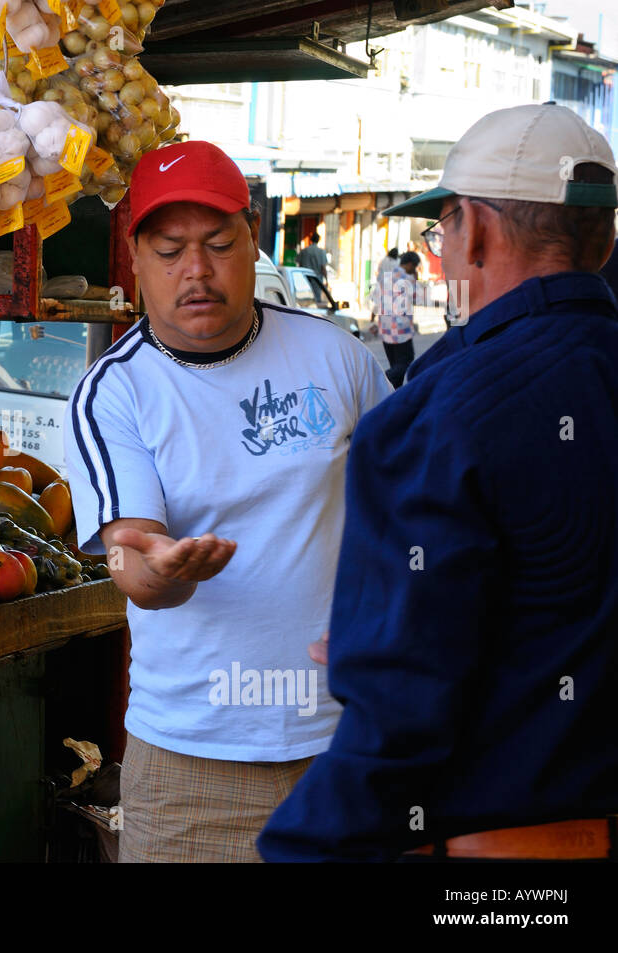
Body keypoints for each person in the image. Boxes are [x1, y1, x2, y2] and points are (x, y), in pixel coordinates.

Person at [258, 102, 618, 862]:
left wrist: (299, 848)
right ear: (606, 236)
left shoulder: (437, 416)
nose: (442, 248)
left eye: (443, 227)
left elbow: (402, 711)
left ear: (476, 230)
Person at [63, 140, 392, 863]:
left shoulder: (338, 359)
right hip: (191, 767)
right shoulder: (115, 392)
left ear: (253, 241)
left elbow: (406, 512)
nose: (197, 271)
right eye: (172, 249)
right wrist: (161, 570)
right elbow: (128, 552)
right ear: (137, 257)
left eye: (218, 243)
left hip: (344, 742)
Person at [368, 250, 421, 387]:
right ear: (410, 265)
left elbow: (376, 300)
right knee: (405, 363)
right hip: (401, 331)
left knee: (395, 364)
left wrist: (372, 320)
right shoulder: (408, 280)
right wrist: (416, 279)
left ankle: (392, 393)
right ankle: (379, 380)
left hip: (385, 328)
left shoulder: (385, 277)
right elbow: (418, 298)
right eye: (414, 267)